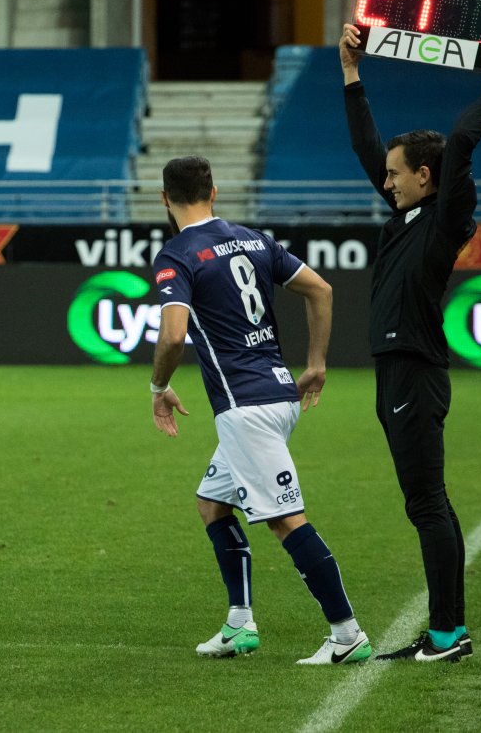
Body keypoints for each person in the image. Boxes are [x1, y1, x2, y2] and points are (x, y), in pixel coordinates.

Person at [149, 156, 371, 665]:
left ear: (165, 199)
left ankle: (346, 633)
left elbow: (174, 334)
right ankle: (239, 623)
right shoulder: (254, 238)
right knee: (212, 502)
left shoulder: (178, 254)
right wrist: (315, 362)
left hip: (245, 408)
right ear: (215, 191)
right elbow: (321, 289)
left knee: (285, 520)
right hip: (277, 393)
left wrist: (158, 385)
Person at [338, 23, 481, 661]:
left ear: (426, 176)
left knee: (428, 504)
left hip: (413, 369)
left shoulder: (446, 216)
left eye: (396, 173)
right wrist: (353, 76)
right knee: (426, 504)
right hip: (396, 371)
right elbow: (366, 151)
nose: (386, 181)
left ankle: (446, 635)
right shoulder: (406, 215)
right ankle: (445, 630)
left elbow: (461, 143)